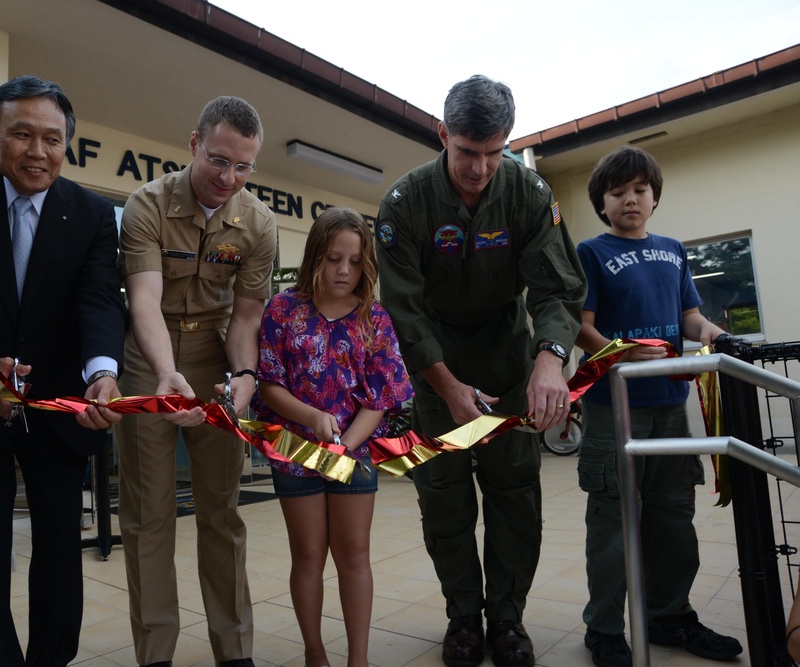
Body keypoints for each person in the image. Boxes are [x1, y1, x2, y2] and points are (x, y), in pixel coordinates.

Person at [375, 75, 586, 667]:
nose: (480, 168)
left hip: (508, 350)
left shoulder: (527, 192)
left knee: (514, 489)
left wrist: (550, 360)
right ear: (443, 135)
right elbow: (402, 310)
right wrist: (445, 386)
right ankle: (463, 618)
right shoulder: (404, 202)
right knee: (443, 493)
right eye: (468, 152)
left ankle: (509, 621)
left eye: (494, 152)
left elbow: (558, 289)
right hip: (433, 354)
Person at [0, 76, 126, 666]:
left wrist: (102, 373)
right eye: (21, 134)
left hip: (60, 405)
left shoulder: (91, 214)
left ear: (67, 146)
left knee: (60, 547)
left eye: (52, 138)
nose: (38, 151)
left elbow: (97, 299)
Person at [115, 95, 276, 667]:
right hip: (148, 360)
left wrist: (244, 377)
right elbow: (145, 302)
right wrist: (164, 374)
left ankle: (234, 651)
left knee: (222, 511)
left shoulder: (258, 223)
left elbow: (247, 318)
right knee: (148, 515)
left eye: (243, 166)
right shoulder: (146, 206)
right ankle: (156, 653)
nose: (229, 177)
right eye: (218, 160)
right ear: (193, 144)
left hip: (217, 359)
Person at [575, 145, 742, 666]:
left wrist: (714, 333)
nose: (630, 199)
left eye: (639, 190)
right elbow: (581, 326)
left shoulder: (674, 250)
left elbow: (689, 316)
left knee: (673, 515)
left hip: (671, 401)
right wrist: (619, 354)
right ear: (602, 203)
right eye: (618, 192)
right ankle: (604, 629)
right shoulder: (591, 252)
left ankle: (671, 616)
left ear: (654, 197)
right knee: (613, 519)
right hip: (614, 405)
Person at [253, 207, 413, 667]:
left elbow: (383, 395)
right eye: (333, 258)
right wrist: (312, 417)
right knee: (307, 556)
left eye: (356, 261)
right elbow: (269, 383)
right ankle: (315, 654)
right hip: (295, 453)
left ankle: (357, 660)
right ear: (314, 256)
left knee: (354, 556)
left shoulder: (374, 317)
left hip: (354, 456)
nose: (344, 270)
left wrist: (346, 446)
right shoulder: (282, 309)